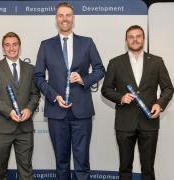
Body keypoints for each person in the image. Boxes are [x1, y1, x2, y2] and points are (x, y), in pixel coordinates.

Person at [34, 2, 105, 180]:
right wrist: (53, 96)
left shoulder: (87, 43)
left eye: (68, 15)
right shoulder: (46, 45)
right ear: (56, 19)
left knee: (82, 163)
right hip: (56, 112)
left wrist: (84, 79)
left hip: (82, 112)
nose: (65, 19)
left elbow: (100, 69)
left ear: (73, 18)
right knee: (61, 162)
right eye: (61, 15)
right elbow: (38, 77)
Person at [101, 25, 174, 180]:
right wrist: (120, 98)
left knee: (148, 169)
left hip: (149, 122)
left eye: (138, 36)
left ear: (143, 38)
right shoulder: (115, 63)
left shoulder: (157, 61)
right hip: (124, 123)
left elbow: (168, 88)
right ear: (126, 40)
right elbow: (106, 89)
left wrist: (159, 104)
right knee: (125, 168)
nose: (135, 39)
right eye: (131, 37)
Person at [0, 32, 40, 180]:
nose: (11, 48)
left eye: (15, 44)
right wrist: (9, 112)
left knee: (26, 170)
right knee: (0, 170)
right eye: (7, 45)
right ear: (3, 48)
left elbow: (35, 94)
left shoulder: (31, 69)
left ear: (20, 47)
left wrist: (29, 108)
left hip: (25, 128)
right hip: (2, 127)